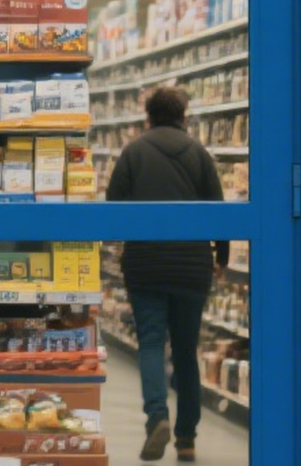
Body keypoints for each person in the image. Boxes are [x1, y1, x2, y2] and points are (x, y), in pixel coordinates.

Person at [104, 86, 228, 462]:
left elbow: (113, 206)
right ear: (183, 116)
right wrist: (221, 256)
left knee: (152, 344)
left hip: (146, 263)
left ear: (148, 116)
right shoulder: (199, 154)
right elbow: (219, 209)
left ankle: (157, 416)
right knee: (186, 351)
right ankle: (187, 438)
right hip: (192, 265)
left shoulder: (134, 152)